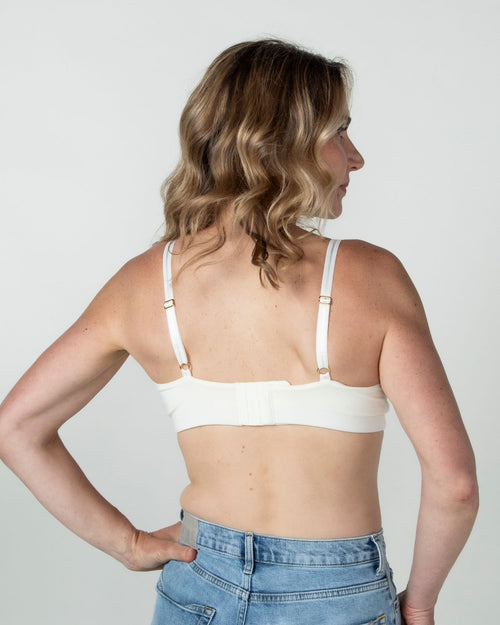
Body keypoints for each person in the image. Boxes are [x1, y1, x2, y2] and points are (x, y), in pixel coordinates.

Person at [0, 38, 478, 625]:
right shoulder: (371, 277)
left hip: (197, 582)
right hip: (335, 592)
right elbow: (455, 484)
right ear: (281, 143)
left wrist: (126, 544)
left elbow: (16, 427)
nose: (355, 159)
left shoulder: (145, 284)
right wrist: (421, 604)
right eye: (339, 133)